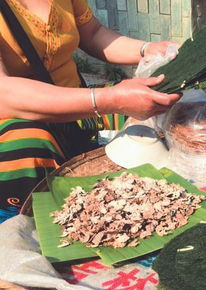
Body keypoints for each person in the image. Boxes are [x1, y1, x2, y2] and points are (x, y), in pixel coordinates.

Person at [0, 0, 182, 222]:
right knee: (29, 148)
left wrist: (147, 49)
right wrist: (108, 99)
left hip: (75, 107)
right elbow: (4, 94)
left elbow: (93, 34)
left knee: (163, 111)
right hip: (15, 120)